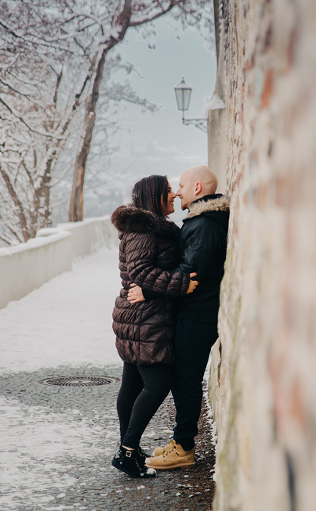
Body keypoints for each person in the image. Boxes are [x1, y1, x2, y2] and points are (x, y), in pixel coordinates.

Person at [127, 165, 230, 470]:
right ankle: (179, 441)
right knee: (183, 379)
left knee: (185, 381)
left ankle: (184, 448)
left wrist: (151, 292)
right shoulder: (200, 221)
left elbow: (191, 273)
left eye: (182, 186)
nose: (177, 192)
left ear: (197, 188)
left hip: (199, 314)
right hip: (197, 311)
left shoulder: (204, 225)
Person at [110, 175, 198, 478]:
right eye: (169, 190)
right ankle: (127, 452)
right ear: (155, 196)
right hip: (145, 318)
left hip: (141, 315)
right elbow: (141, 272)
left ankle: (127, 450)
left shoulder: (149, 229)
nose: (174, 194)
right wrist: (181, 283)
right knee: (157, 384)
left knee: (133, 384)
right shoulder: (144, 231)